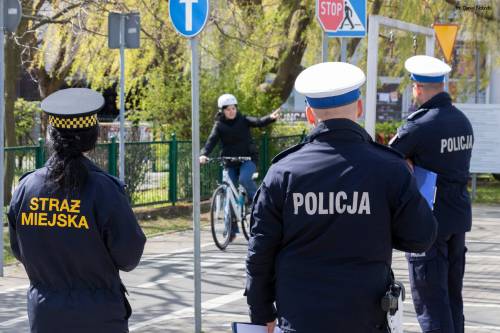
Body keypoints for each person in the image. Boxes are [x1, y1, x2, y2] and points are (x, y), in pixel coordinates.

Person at [245, 62, 438, 333]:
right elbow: (421, 237)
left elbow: (260, 252)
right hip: (366, 318)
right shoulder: (390, 168)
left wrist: (261, 310)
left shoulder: (282, 172)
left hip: (299, 319)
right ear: (358, 108)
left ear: (310, 115)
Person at [7, 88, 146, 333]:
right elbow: (129, 256)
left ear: (51, 134)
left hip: (45, 316)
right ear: (92, 137)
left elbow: (19, 251)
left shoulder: (26, 188)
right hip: (100, 318)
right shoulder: (105, 190)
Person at [389, 55, 474, 333]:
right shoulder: (462, 121)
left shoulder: (419, 125)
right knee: (451, 299)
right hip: (457, 219)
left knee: (431, 302)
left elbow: (387, 162)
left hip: (429, 223)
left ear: (418, 88)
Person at [200, 94, 280, 240]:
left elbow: (258, 121)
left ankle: (256, 201)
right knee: (228, 193)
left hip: (247, 160)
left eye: (233, 108)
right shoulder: (219, 125)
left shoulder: (243, 120)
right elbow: (210, 142)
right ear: (222, 111)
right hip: (229, 162)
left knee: (244, 179)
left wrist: (270, 118)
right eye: (228, 109)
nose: (231, 111)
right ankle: (230, 229)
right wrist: (204, 154)